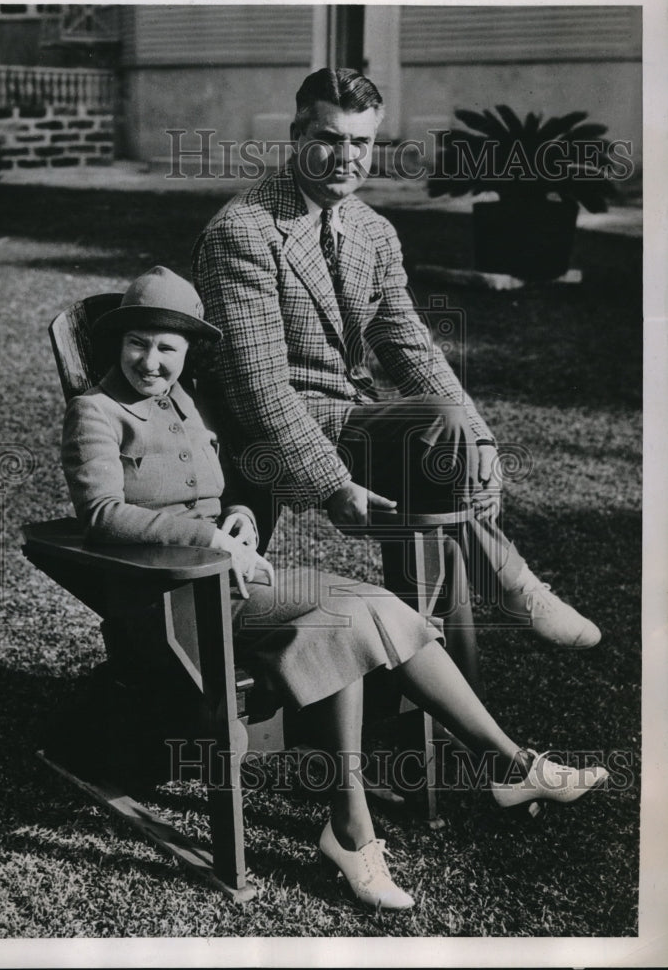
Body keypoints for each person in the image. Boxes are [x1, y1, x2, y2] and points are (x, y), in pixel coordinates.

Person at [61, 266, 608, 911]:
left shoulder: (189, 402)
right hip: (169, 601)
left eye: (167, 348)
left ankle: (468, 782)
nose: (150, 361)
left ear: (185, 352)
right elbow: (101, 515)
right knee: (347, 616)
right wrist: (208, 538)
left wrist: (239, 518)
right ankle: (422, 801)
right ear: (117, 342)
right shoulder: (95, 412)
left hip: (235, 582)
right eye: (137, 344)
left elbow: (230, 489)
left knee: (364, 611)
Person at [192, 68, 601, 693]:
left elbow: (410, 346)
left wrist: (483, 440)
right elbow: (258, 388)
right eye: (329, 139)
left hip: (347, 418)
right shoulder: (242, 231)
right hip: (266, 432)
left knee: (450, 444)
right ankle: (512, 589)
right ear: (297, 135)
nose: (346, 158)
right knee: (437, 432)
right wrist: (333, 485)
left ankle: (430, 688)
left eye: (361, 142)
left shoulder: (371, 230)